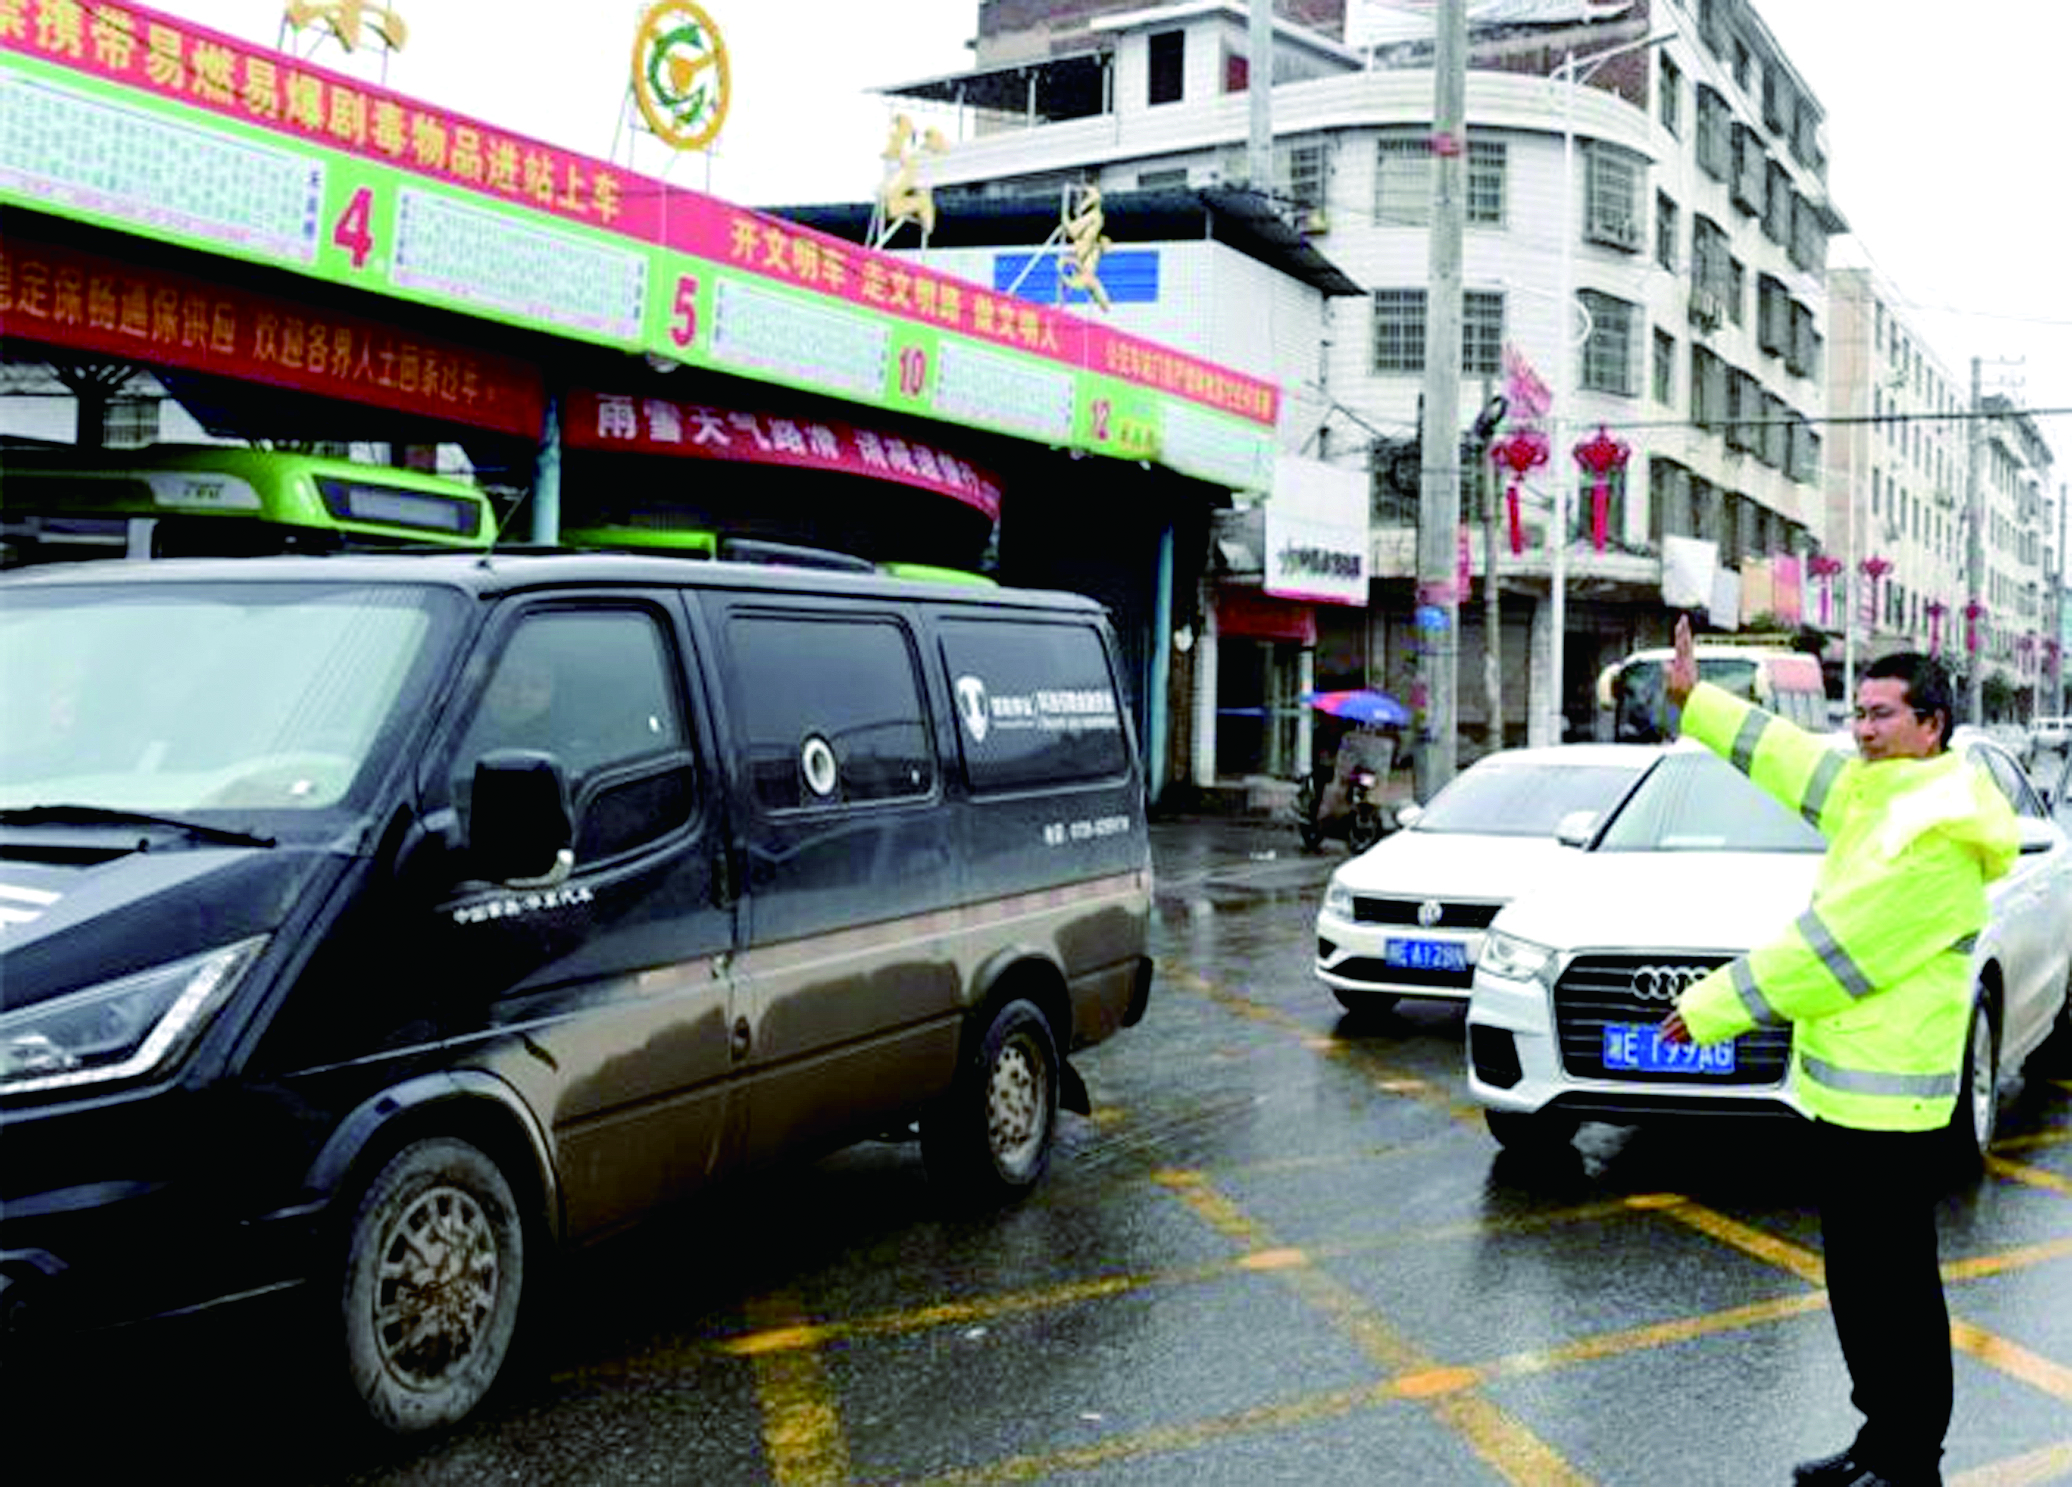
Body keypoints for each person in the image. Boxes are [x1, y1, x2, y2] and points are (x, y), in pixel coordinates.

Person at [1657, 613, 2017, 1487]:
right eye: (1857, 712)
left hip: (1892, 1102)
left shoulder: (1936, 833)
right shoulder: (1876, 789)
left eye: (1881, 714)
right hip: (1849, 1099)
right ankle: (1877, 1440)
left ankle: (1910, 1461)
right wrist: (1697, 701)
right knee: (1859, 1286)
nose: (1861, 729)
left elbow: (1831, 949)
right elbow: (1788, 757)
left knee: (1896, 1291)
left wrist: (1710, 1007)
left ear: (1931, 725)